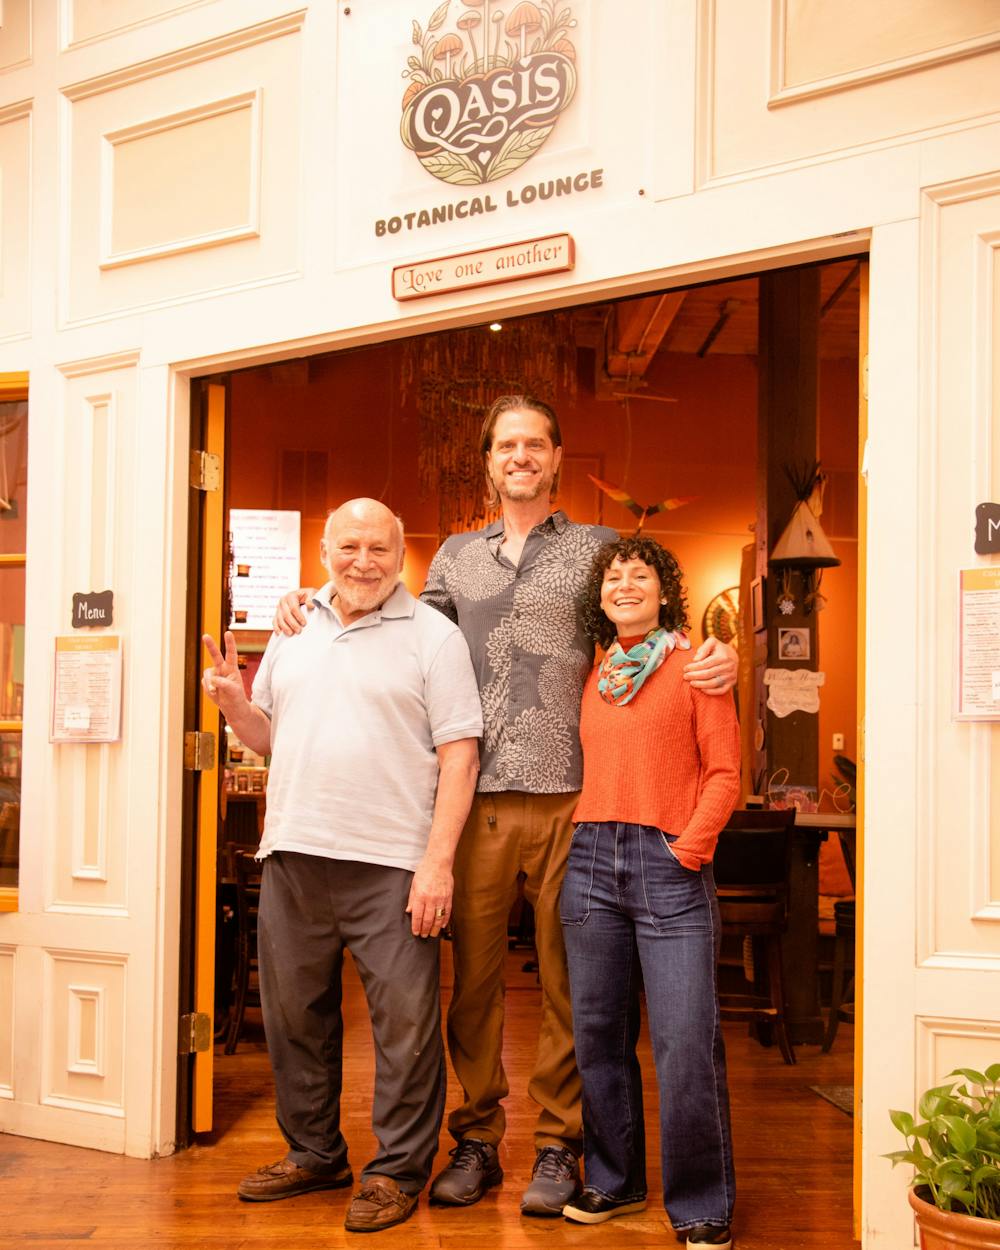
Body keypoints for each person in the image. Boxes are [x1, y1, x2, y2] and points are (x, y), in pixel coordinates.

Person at [273, 397, 738, 1216]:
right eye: (505, 446)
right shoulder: (453, 556)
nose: (519, 456)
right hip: (476, 796)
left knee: (572, 989)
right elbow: (398, 627)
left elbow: (649, 616)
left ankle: (560, 1144)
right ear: (487, 462)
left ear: (557, 458)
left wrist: (719, 653)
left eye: (534, 444)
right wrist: (306, 601)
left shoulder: (599, 550)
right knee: (475, 985)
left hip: (577, 797)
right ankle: (478, 1136)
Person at [203, 498, 483, 1234]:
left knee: (405, 1029)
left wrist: (437, 865)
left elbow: (461, 755)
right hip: (294, 853)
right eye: (349, 546)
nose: (364, 562)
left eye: (380, 549)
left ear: (401, 555)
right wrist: (235, 705)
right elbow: (270, 740)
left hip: (392, 863)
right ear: (324, 549)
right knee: (296, 1019)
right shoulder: (293, 629)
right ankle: (315, 1153)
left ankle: (395, 1172)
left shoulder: (435, 636)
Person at [559, 535, 740, 1250]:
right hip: (591, 859)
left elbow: (724, 773)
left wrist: (687, 848)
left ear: (665, 592)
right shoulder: (597, 670)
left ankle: (700, 1203)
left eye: (641, 574)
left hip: (670, 861)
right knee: (598, 1036)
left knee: (684, 1042)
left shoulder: (698, 666)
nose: (625, 582)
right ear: (599, 597)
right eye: (613, 575)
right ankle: (614, 1178)